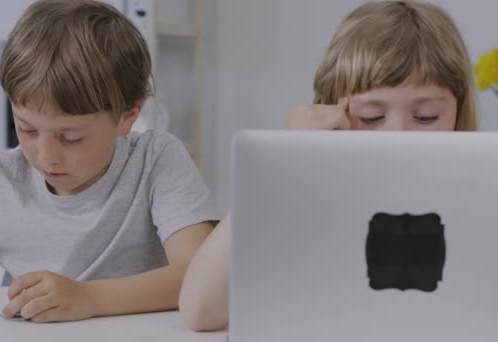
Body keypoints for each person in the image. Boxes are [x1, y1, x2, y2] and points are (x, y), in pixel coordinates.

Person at [179, 0, 478, 332]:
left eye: (426, 117)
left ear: (458, 112)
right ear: (332, 109)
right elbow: (201, 310)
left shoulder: (484, 192)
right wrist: (282, 160)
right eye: (372, 117)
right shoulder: (303, 193)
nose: (398, 136)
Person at [0, 0, 220, 323]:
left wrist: (88, 297)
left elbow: (202, 275)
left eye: (70, 137)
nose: (46, 155)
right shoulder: (0, 180)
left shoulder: (155, 160)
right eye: (26, 128)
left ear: (127, 117)